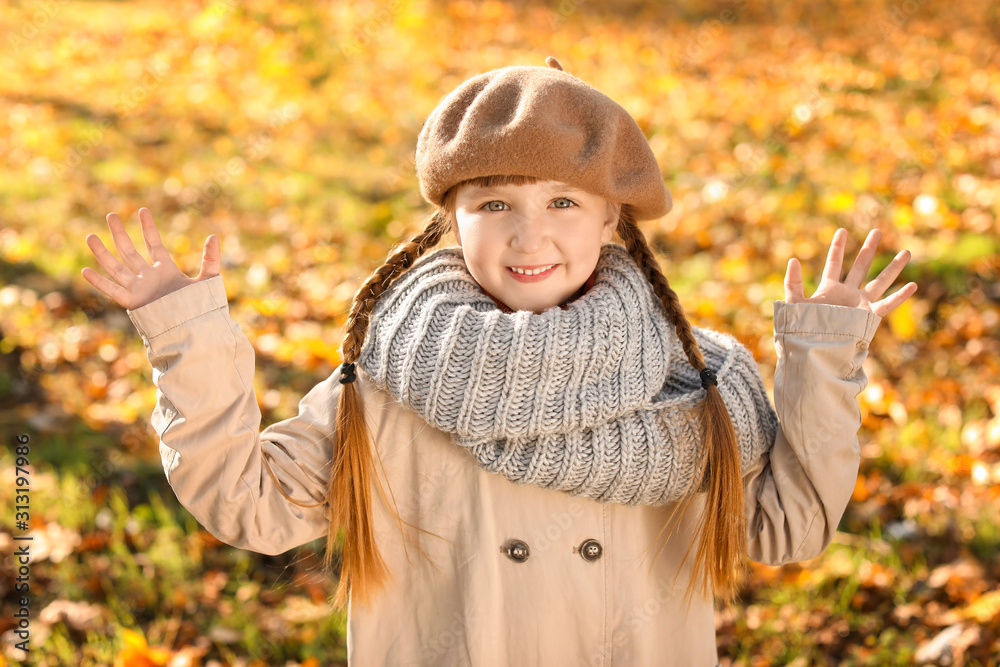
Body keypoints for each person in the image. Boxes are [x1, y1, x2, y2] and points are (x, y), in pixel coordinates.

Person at [82, 57, 917, 666]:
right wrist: (186, 334)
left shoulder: (693, 382)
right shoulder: (388, 384)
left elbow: (790, 526)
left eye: (563, 202)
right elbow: (250, 505)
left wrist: (822, 360)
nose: (529, 235)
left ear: (611, 223)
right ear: (452, 219)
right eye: (494, 204)